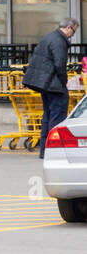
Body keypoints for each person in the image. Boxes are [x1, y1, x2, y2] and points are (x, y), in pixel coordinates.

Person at [23, 17, 78, 158]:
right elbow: (60, 65)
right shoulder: (59, 41)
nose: (73, 35)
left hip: (45, 84)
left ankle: (45, 150)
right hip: (54, 84)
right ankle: (55, 150)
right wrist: (64, 81)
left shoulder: (49, 37)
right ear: (68, 28)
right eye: (74, 31)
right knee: (58, 116)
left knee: (47, 115)